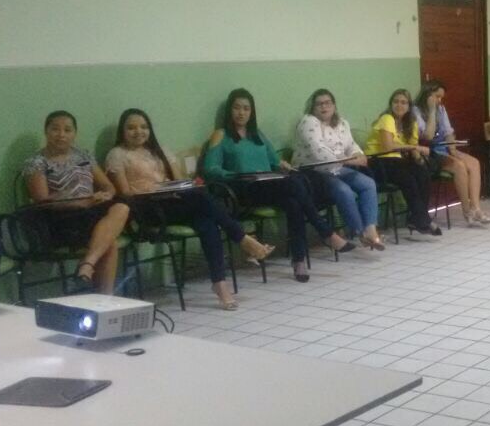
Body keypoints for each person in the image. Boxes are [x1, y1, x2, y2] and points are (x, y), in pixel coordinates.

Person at [106, 108, 275, 309]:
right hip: (147, 209)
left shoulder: (159, 150)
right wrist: (152, 190)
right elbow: (125, 193)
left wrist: (178, 186)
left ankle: (220, 283)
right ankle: (242, 238)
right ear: (123, 131)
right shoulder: (117, 154)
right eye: (131, 128)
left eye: (143, 127)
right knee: (201, 199)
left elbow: (180, 180)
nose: (138, 132)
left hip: (172, 202)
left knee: (206, 219)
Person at [203, 88, 351, 283]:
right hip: (243, 188)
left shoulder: (257, 134)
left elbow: (274, 160)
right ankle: (325, 232)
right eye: (237, 108)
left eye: (246, 109)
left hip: (267, 184)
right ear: (230, 110)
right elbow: (210, 168)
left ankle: (299, 261)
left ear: (251, 112)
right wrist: (235, 174)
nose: (241, 113)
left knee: (294, 201)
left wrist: (284, 165)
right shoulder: (221, 135)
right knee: (293, 185)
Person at [21, 111, 130, 295]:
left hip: (90, 211)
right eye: (55, 129)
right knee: (109, 242)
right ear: (46, 131)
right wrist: (77, 202)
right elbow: (41, 201)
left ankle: (87, 265)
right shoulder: (36, 162)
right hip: (61, 218)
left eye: (67, 130)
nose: (61, 134)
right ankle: (104, 298)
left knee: (122, 207)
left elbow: (108, 187)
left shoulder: (83, 155)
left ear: (74, 133)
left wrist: (104, 195)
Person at [292, 89, 386, 251]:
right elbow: (319, 151)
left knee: (368, 183)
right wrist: (348, 160)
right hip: (314, 172)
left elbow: (351, 146)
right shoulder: (308, 122)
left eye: (327, 103)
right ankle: (360, 232)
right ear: (312, 107)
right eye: (319, 104)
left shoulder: (342, 123)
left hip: (339, 168)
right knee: (344, 190)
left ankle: (371, 229)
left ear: (334, 106)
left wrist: (357, 155)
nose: (324, 107)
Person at [364, 89, 439, 236]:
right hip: (378, 162)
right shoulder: (387, 118)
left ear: (409, 106)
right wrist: (415, 148)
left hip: (397, 162)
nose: (399, 105)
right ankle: (423, 219)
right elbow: (387, 147)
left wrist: (420, 161)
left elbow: (413, 149)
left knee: (422, 173)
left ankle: (416, 218)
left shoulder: (410, 123)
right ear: (391, 104)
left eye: (403, 103)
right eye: (396, 102)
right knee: (407, 177)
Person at [415, 80, 490, 226]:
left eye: (441, 97)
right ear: (427, 95)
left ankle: (476, 208)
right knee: (459, 166)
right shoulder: (415, 111)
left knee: (474, 163)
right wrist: (432, 111)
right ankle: (467, 211)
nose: (439, 100)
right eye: (437, 96)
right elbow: (428, 136)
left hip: (444, 147)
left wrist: (453, 149)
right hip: (429, 152)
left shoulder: (441, 109)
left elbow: (448, 131)